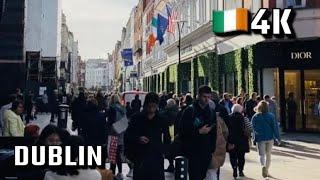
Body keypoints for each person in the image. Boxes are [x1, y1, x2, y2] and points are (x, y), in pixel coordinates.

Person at [125, 92, 169, 180]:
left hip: (156, 158)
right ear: (146, 105)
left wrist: (163, 151)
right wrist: (138, 139)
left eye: (154, 106)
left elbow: (167, 138)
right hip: (141, 157)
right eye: (150, 106)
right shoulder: (136, 118)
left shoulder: (162, 120)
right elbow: (128, 136)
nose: (152, 109)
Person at [179, 85, 217, 180]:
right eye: (204, 97)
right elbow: (182, 130)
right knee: (195, 176)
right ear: (198, 96)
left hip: (206, 151)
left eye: (208, 97)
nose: (206, 99)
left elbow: (214, 132)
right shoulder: (190, 110)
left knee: (202, 176)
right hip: (193, 151)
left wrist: (212, 149)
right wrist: (198, 131)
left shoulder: (211, 112)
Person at [252, 101, 281, 178]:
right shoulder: (271, 116)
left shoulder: (255, 116)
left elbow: (253, 128)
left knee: (262, 155)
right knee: (268, 155)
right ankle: (267, 170)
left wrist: (254, 138)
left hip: (260, 138)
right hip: (270, 137)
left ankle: (263, 166)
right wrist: (278, 138)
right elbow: (275, 127)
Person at [227, 104, 251, 178]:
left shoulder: (228, 118)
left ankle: (234, 168)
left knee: (233, 156)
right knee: (241, 157)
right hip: (242, 141)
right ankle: (240, 170)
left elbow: (225, 130)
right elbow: (250, 128)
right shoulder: (244, 118)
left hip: (231, 140)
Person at [106, 94, 126, 179]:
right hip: (121, 133)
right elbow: (125, 122)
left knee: (112, 154)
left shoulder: (111, 108)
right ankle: (120, 172)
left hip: (113, 134)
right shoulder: (123, 108)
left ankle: (112, 173)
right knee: (118, 154)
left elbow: (109, 122)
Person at [159, 98, 179, 173]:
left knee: (167, 151)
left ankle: (170, 165)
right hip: (177, 135)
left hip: (167, 135)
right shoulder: (178, 112)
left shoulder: (164, 113)